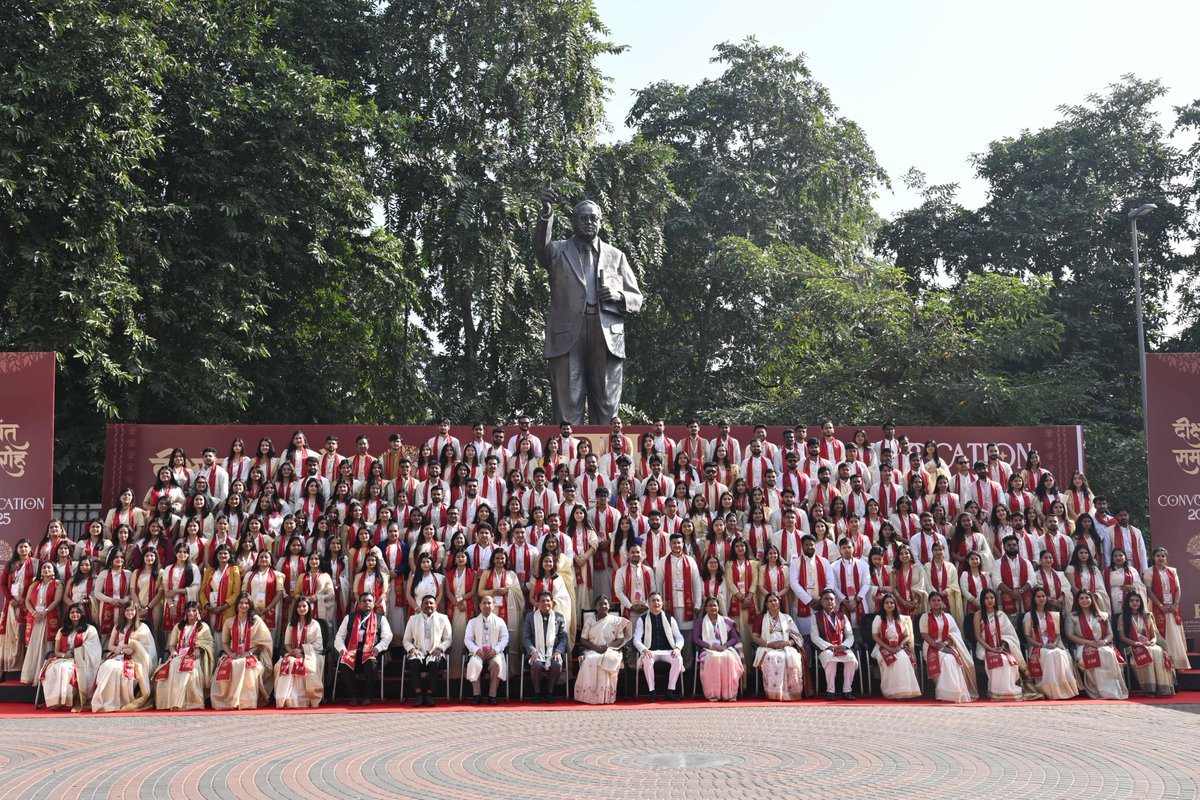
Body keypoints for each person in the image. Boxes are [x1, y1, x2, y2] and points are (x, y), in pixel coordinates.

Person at [534, 187, 643, 424]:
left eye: (593, 218)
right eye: (583, 218)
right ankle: (569, 458)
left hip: (606, 332)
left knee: (606, 406)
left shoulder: (617, 256)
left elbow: (637, 299)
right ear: (574, 221)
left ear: (601, 222)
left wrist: (618, 295)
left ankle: (606, 459)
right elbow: (540, 248)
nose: (589, 222)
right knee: (567, 405)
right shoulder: (558, 251)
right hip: (567, 332)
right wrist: (546, 214)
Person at [211, 592, 274, 709]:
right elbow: (224, 643)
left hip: (251, 654)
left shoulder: (256, 621)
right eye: (241, 603)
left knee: (247, 666)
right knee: (231, 664)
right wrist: (231, 654)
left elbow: (263, 641)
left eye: (246, 603)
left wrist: (249, 652)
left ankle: (246, 702)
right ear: (236, 605)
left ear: (250, 605)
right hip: (233, 654)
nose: (243, 606)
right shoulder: (229, 622)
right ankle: (229, 701)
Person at [92, 602, 158, 712]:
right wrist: (121, 649)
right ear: (123, 612)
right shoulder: (118, 627)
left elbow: (148, 648)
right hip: (119, 655)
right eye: (127, 610)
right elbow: (110, 645)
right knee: (108, 666)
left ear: (136, 612)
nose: (129, 612)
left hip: (136, 658)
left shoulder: (142, 627)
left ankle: (122, 700)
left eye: (132, 610)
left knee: (118, 669)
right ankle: (106, 700)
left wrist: (134, 647)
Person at [36, 603, 101, 711]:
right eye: (72, 612)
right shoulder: (62, 630)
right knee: (51, 670)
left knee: (66, 668)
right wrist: (64, 655)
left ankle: (69, 700)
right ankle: (56, 701)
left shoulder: (90, 629)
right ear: (68, 615)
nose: (75, 614)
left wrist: (76, 653)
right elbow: (56, 651)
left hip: (81, 659)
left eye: (77, 612)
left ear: (82, 614)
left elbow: (93, 648)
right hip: (63, 658)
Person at [1066, 589, 1128, 700]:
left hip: (1102, 644)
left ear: (1092, 599)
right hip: (1083, 646)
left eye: (1087, 597)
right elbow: (1070, 635)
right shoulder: (1072, 617)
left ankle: (1112, 689)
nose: (1084, 600)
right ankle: (1099, 689)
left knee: (1107, 653)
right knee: (1097, 654)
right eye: (1081, 598)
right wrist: (1088, 642)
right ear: (1077, 600)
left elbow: (1110, 634)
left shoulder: (1103, 616)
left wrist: (1104, 642)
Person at [336, 591, 395, 706]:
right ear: (359, 602)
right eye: (364, 601)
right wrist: (342, 648)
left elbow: (388, 636)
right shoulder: (349, 617)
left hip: (371, 652)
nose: (367, 603)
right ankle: (352, 695)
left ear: (374, 603)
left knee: (370, 661)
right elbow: (339, 636)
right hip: (352, 652)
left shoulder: (380, 619)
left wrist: (378, 648)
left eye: (369, 601)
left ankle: (368, 696)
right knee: (344, 661)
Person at [154, 601, 215, 710]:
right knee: (174, 664)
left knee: (189, 669)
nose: (191, 613)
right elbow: (172, 645)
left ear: (198, 612)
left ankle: (189, 703)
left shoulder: (203, 626)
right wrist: (173, 652)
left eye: (194, 611)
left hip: (194, 656)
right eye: (189, 611)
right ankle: (174, 701)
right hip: (179, 655)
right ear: (185, 613)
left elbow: (208, 643)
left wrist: (199, 649)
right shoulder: (178, 626)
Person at [1023, 586, 1079, 700]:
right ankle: (1050, 690)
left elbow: (1058, 635)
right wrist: (1042, 645)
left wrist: (1053, 644)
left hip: (1053, 643)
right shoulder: (1028, 616)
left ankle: (1063, 689)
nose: (1041, 599)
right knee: (1049, 655)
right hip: (1036, 645)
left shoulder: (1054, 615)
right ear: (1033, 599)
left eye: (1043, 596)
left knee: (1060, 654)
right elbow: (1027, 637)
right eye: (1038, 596)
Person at [1116, 590, 1176, 697]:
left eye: (1137, 600)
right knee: (1148, 651)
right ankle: (1149, 689)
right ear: (1127, 603)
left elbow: (1154, 634)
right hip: (1132, 646)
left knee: (1158, 651)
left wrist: (1153, 641)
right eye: (1132, 601)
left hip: (1148, 644)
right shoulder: (1122, 617)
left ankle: (1162, 688)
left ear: (1141, 602)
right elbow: (1122, 637)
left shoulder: (1148, 616)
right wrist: (1136, 643)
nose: (1135, 603)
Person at [575, 595, 629, 705]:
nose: (603, 606)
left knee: (606, 659)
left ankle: (605, 696)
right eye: (600, 604)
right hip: (592, 649)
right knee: (591, 659)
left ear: (609, 606)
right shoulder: (590, 620)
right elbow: (583, 639)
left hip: (610, 650)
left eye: (605, 604)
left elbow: (620, 639)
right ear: (596, 606)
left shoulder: (615, 621)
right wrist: (595, 648)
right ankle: (590, 695)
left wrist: (607, 646)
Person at [272, 597, 324, 708]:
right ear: (295, 609)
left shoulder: (315, 624)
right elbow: (287, 644)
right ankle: (287, 699)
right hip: (293, 654)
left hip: (311, 654)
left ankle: (304, 699)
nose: (301, 608)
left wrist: (302, 650)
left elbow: (318, 644)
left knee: (304, 665)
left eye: (304, 606)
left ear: (308, 608)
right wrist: (294, 653)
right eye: (299, 606)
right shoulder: (291, 625)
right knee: (285, 664)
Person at [974, 588, 1024, 701]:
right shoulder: (978, 615)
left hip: (1001, 646)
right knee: (1000, 660)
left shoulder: (1001, 615)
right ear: (982, 600)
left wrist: (1002, 647)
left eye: (991, 597)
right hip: (984, 646)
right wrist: (991, 648)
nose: (989, 600)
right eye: (986, 598)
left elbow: (1009, 634)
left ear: (995, 600)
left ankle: (1007, 690)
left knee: (1007, 661)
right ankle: (995, 691)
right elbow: (978, 637)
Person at [633, 592, 686, 701]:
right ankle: (652, 691)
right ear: (648, 603)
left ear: (662, 603)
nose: (656, 603)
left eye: (658, 600)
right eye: (653, 600)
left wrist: (677, 648)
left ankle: (670, 691)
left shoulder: (670, 618)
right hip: (651, 651)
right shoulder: (642, 619)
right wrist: (644, 649)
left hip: (668, 651)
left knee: (678, 659)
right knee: (647, 659)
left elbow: (679, 637)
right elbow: (636, 639)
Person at [753, 592, 805, 701]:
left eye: (775, 600)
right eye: (770, 601)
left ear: (779, 602)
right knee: (774, 658)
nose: (773, 603)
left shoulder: (787, 618)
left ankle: (791, 693)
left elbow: (797, 637)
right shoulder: (761, 618)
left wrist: (787, 643)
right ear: (766, 604)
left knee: (790, 657)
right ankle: (774, 693)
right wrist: (768, 644)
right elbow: (754, 637)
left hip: (785, 647)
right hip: (767, 647)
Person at [1143, 547, 1189, 667]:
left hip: (1172, 608)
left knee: (1175, 634)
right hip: (1158, 608)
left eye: (1163, 556)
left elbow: (1178, 589)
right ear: (1153, 557)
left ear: (1166, 557)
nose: (1160, 558)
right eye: (1158, 556)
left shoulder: (1172, 571)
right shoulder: (1149, 572)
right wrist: (1160, 605)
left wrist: (1175, 604)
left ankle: (1178, 663)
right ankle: (1165, 662)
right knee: (1163, 633)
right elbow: (1148, 591)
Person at [810, 588, 859, 700]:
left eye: (831, 599)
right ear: (821, 602)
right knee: (831, 659)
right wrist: (829, 646)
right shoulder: (815, 617)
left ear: (835, 601)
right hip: (826, 649)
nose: (829, 601)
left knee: (851, 658)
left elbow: (850, 635)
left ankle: (847, 690)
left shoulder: (842, 616)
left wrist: (845, 645)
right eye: (826, 599)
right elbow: (814, 637)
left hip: (842, 647)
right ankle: (830, 691)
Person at [871, 593, 921, 700]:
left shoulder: (900, 619)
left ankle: (906, 691)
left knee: (903, 658)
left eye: (891, 602)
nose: (889, 605)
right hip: (882, 647)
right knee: (893, 660)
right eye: (886, 603)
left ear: (895, 604)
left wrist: (900, 646)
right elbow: (875, 636)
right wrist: (888, 648)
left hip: (898, 647)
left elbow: (907, 636)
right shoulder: (878, 618)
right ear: (883, 605)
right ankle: (893, 692)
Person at [401, 594, 449, 706]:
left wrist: (440, 648)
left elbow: (448, 639)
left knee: (434, 662)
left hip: (435, 651)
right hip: (418, 651)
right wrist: (412, 649)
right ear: (421, 606)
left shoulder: (443, 618)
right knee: (413, 661)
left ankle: (429, 694)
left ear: (436, 605)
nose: (428, 605)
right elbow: (406, 640)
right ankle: (418, 694)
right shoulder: (413, 619)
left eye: (431, 603)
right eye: (426, 603)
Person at [693, 595, 743, 701]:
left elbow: (734, 638)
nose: (713, 608)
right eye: (710, 606)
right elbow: (695, 639)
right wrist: (710, 646)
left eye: (715, 606)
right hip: (708, 650)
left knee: (729, 657)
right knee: (713, 658)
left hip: (723, 648)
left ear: (718, 608)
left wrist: (724, 646)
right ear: (705, 608)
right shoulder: (700, 621)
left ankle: (729, 694)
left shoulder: (725, 621)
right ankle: (713, 694)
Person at [522, 591, 569, 703]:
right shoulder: (530, 617)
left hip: (553, 652)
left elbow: (564, 638)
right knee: (537, 665)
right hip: (535, 652)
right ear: (538, 603)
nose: (545, 603)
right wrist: (532, 651)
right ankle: (537, 693)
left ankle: (549, 692)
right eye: (542, 601)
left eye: (548, 600)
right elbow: (526, 638)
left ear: (552, 603)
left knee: (557, 664)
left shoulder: (559, 617)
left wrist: (558, 651)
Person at [21, 562, 63, 684]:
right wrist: (34, 613)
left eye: (49, 567)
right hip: (35, 617)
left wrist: (44, 612)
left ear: (54, 571)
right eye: (44, 567)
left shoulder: (58, 584)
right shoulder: (35, 584)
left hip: (48, 616)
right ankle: (30, 676)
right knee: (34, 646)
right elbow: (27, 600)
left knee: (46, 644)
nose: (46, 569)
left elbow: (57, 601)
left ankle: (44, 677)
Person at [464, 595, 509, 704]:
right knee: (474, 663)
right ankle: (476, 695)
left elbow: (505, 638)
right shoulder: (472, 622)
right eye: (484, 603)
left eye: (489, 603)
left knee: (496, 664)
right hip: (478, 653)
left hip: (494, 652)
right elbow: (468, 640)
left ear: (493, 606)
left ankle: (492, 695)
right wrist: (476, 650)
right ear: (480, 606)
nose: (486, 605)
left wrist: (496, 650)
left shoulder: (500, 621)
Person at [1, 539, 37, 673]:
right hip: (12, 604)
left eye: (25, 547)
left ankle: (26, 666)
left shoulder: (35, 563)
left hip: (28, 603)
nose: (23, 549)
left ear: (30, 548)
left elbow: (38, 582)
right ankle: (14, 666)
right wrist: (10, 599)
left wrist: (26, 598)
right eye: (20, 547)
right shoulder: (11, 564)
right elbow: (3, 584)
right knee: (13, 634)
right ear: (16, 549)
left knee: (25, 633)